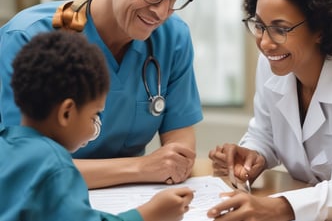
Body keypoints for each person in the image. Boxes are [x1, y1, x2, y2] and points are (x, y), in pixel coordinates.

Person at [0, 0, 203, 189]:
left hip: (135, 199)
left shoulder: (173, 38)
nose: (162, 12)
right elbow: (27, 166)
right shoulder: (27, 37)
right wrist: (141, 168)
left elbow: (181, 147)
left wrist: (171, 163)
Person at [207, 0, 332, 220]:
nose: (264, 43)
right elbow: (266, 133)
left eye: (280, 29)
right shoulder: (274, 64)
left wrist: (274, 207)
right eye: (260, 25)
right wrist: (255, 155)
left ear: (320, 28)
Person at [0, 30, 194, 221]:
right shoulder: (55, 165)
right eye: (94, 115)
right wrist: (148, 215)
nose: (95, 128)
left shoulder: (6, 147)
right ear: (66, 113)